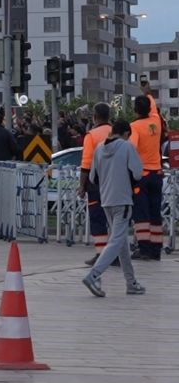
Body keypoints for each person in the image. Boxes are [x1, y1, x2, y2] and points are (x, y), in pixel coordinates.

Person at [82, 119, 146, 297]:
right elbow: (138, 173)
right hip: (123, 200)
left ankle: (131, 282)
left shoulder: (99, 148)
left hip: (106, 200)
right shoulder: (127, 147)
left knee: (121, 242)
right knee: (116, 241)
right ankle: (94, 275)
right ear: (126, 133)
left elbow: (93, 178)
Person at [128, 96, 164, 261]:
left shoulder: (134, 127)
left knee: (141, 213)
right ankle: (156, 250)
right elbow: (153, 104)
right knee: (155, 212)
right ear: (150, 108)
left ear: (135, 110)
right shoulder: (156, 121)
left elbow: (131, 149)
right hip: (157, 174)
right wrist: (147, 92)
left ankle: (144, 249)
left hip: (142, 176)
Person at [79, 104, 113, 266]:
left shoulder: (91, 135)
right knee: (115, 220)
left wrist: (82, 186)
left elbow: (86, 163)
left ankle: (101, 254)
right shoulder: (116, 132)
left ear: (95, 116)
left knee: (97, 218)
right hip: (116, 183)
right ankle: (116, 254)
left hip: (96, 184)